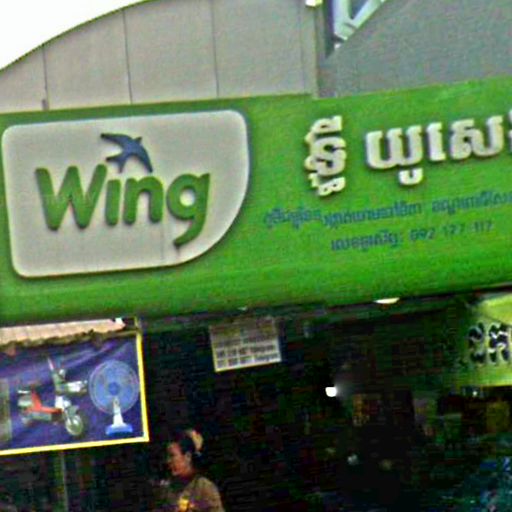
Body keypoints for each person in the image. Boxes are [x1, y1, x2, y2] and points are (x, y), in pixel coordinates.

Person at [153, 429, 225, 512]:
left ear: (187, 456)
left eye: (172, 456)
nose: (168, 461)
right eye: (167, 457)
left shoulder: (204, 488)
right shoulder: (166, 489)